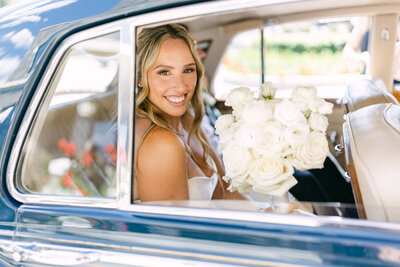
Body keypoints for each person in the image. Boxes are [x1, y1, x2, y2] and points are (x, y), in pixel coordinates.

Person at [134, 24, 249, 203]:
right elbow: (172, 230)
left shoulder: (188, 120)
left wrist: (269, 218)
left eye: (188, 70)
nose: (181, 86)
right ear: (140, 78)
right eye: (164, 72)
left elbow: (225, 193)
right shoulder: (161, 143)